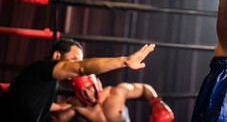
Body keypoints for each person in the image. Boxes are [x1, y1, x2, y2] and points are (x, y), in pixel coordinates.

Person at [0, 38, 155, 122]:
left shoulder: (49, 81)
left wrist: (59, 107)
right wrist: (124, 61)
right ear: (56, 56)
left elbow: (31, 102)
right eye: (74, 59)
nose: (78, 64)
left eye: (80, 60)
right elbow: (80, 68)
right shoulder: (43, 68)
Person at [48, 74, 174, 122]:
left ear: (96, 84)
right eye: (82, 92)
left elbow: (145, 88)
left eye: (89, 88)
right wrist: (59, 107)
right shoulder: (77, 105)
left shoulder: (117, 93)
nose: (87, 94)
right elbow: (57, 118)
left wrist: (156, 103)